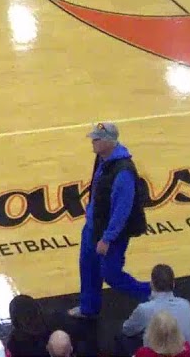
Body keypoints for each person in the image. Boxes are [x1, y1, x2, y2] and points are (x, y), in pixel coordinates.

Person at [70, 121, 150, 321]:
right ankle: (89, 308)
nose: (93, 142)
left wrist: (107, 238)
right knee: (87, 267)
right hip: (92, 226)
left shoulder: (123, 171)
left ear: (109, 141)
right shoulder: (103, 158)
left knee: (111, 274)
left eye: (97, 139)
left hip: (110, 234)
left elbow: (121, 211)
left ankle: (152, 293)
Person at [118, 265, 190, 354]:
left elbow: (127, 330)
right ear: (173, 284)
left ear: (151, 284)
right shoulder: (186, 305)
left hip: (161, 352)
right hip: (186, 353)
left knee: (122, 336)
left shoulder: (144, 309)